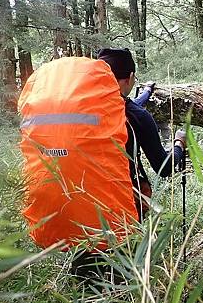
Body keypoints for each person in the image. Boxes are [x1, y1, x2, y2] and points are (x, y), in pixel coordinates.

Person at [69, 48, 186, 281]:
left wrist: (146, 93)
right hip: (121, 209)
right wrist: (179, 145)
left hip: (78, 203)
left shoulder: (77, 110)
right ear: (130, 78)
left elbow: (125, 104)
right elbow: (164, 168)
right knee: (121, 272)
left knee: (88, 268)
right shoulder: (137, 117)